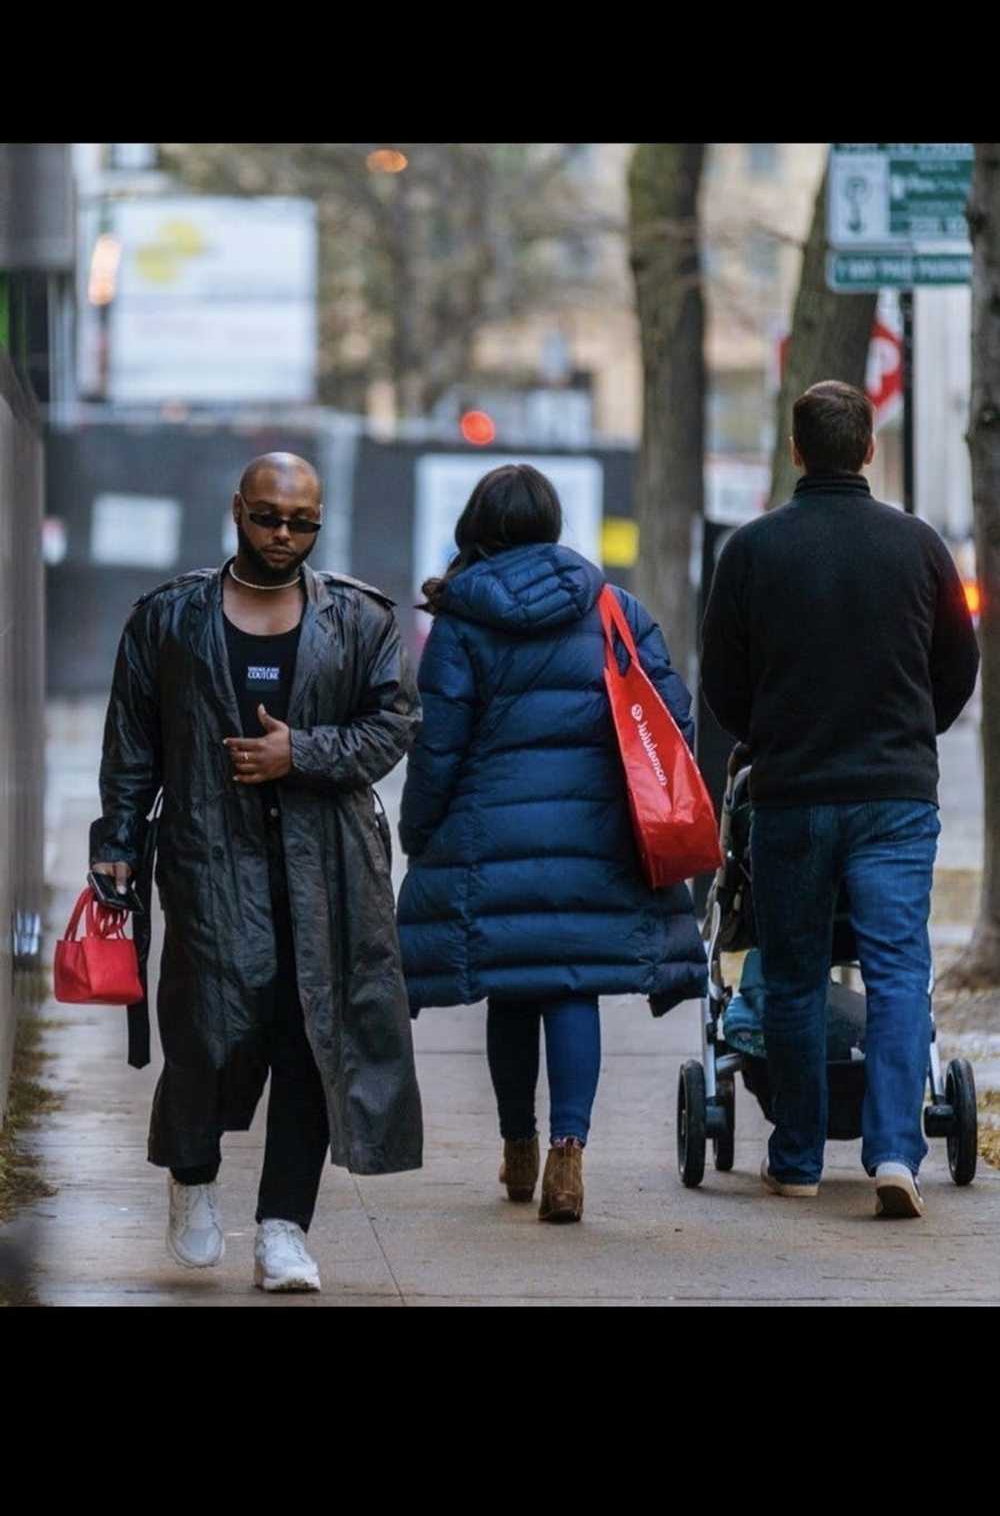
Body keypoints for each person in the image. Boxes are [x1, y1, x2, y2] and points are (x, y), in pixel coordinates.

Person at [90, 452, 423, 1291]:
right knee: (207, 1032)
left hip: (329, 868)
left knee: (311, 1043)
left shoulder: (358, 619)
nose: (284, 535)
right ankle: (194, 1176)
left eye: (302, 522)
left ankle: (283, 1227)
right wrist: (118, 842)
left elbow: (392, 727)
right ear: (239, 510)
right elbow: (133, 742)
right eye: (269, 517)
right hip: (207, 858)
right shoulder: (169, 618)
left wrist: (298, 751)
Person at [396, 464, 708, 1223]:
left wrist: (419, 831)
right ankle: (571, 1154)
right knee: (572, 988)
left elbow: (438, 748)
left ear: (479, 526)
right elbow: (674, 724)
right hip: (595, 839)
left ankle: (518, 1146)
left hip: (491, 838)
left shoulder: (461, 626)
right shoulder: (615, 609)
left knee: (513, 989)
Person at [700, 381, 980, 1217]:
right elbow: (958, 665)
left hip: (791, 796)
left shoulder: (750, 551)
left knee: (790, 974)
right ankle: (896, 1153)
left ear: (796, 450)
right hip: (894, 794)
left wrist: (771, 737)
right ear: (866, 450)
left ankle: (796, 1157)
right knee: (899, 972)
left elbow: (723, 683)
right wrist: (912, 732)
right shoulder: (919, 547)